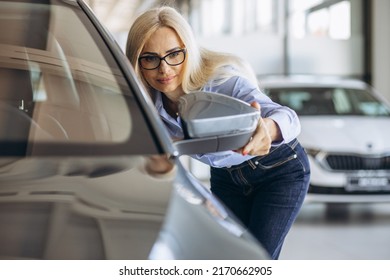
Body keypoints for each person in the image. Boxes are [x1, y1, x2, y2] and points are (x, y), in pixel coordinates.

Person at [126, 6, 310, 259]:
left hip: (277, 170)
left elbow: (289, 118)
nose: (164, 69)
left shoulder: (224, 83)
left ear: (188, 51)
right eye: (150, 58)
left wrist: (267, 128)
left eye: (174, 54)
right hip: (226, 178)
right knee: (228, 257)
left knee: (257, 258)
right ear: (137, 62)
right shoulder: (147, 106)